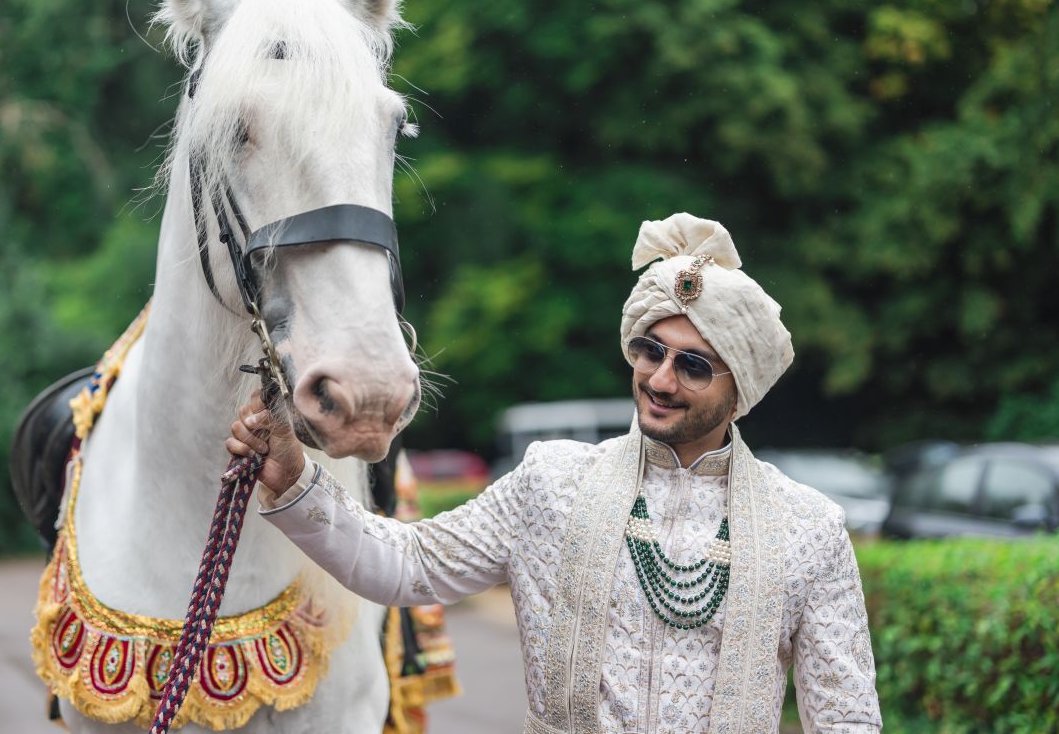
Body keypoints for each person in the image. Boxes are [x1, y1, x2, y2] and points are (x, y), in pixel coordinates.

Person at [227, 213, 882, 733]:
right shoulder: (553, 483)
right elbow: (406, 565)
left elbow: (846, 719)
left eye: (691, 366)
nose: (658, 378)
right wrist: (294, 480)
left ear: (740, 391)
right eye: (650, 350)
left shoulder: (807, 531)